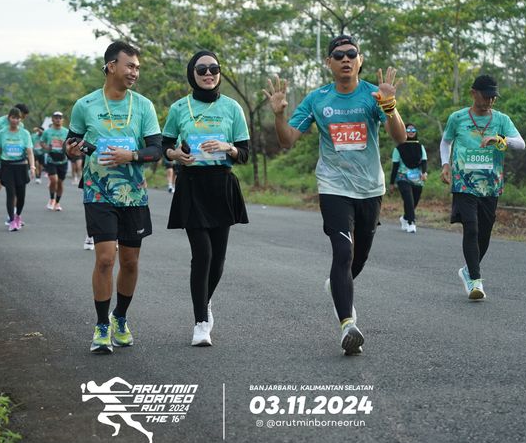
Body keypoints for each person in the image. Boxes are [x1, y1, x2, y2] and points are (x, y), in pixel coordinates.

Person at [263, 34, 406, 355]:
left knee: (359, 257)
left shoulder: (374, 94)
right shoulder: (317, 99)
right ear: (329, 62)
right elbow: (287, 141)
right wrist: (279, 115)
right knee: (343, 251)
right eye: (338, 55)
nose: (345, 59)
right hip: (333, 186)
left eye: (351, 54)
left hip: (370, 188)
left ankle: (338, 285)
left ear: (360, 60)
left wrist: (390, 107)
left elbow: (400, 139)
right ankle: (347, 324)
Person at [64, 40, 162, 354]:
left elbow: (156, 150)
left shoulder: (143, 106)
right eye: (129, 66)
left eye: (137, 67)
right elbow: (72, 141)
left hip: (133, 194)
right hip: (98, 192)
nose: (134, 72)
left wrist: (130, 155)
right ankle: (101, 325)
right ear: (111, 66)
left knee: (130, 262)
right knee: (105, 259)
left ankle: (120, 317)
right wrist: (70, 150)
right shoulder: (85, 105)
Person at [162, 50, 250, 346]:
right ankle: (200, 322)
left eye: (214, 68)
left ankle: (205, 300)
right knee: (203, 254)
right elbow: (165, 146)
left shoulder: (232, 108)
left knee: (218, 260)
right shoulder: (179, 107)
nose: (209, 73)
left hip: (221, 186)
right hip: (191, 186)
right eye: (202, 69)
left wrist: (228, 147)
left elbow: (245, 153)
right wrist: (176, 154)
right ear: (192, 74)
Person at [440, 75, 525, 300]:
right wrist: (446, 164)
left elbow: (521, 144)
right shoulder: (457, 118)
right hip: (464, 183)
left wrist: (500, 139)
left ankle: (468, 270)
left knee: (485, 233)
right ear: (473, 93)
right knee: (471, 228)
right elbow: (446, 141)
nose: (490, 101)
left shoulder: (502, 120)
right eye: (486, 96)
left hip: (491, 185)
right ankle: (475, 281)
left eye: (493, 97)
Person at [0, 107, 35, 231]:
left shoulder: (25, 133)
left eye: (18, 118)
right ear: (9, 118)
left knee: (21, 196)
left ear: (20, 119)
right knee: (10, 193)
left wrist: (32, 166)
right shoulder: (2, 133)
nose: (15, 120)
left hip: (21, 166)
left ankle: (18, 215)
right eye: (13, 118)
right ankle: (12, 220)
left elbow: (29, 152)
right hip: (7, 166)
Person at [389, 123, 428, 233]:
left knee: (414, 201)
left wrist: (424, 172)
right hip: (403, 177)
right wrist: (392, 183)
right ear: (404, 132)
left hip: (417, 178)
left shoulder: (420, 147)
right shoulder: (398, 149)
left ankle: (405, 217)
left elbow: (424, 161)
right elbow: (395, 166)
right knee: (408, 199)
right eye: (408, 130)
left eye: (413, 130)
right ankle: (411, 222)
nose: (411, 132)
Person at [42, 113, 69, 211]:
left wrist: (67, 148)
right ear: (52, 119)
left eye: (60, 118)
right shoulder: (47, 132)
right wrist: (46, 147)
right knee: (54, 180)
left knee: (60, 182)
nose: (58, 120)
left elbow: (70, 144)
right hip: (51, 159)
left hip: (63, 160)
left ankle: (57, 202)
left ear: (62, 120)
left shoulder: (66, 132)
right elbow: (42, 142)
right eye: (56, 118)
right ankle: (51, 199)